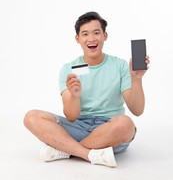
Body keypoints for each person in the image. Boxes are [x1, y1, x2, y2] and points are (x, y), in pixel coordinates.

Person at [24, 11, 150, 168]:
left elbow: (137, 110)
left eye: (96, 33)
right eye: (85, 34)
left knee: (126, 125)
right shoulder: (68, 69)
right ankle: (88, 154)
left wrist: (137, 79)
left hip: (110, 129)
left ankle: (67, 150)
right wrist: (75, 96)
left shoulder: (121, 65)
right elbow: (71, 116)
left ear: (105, 36)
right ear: (78, 39)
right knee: (31, 117)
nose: (91, 39)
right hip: (78, 126)